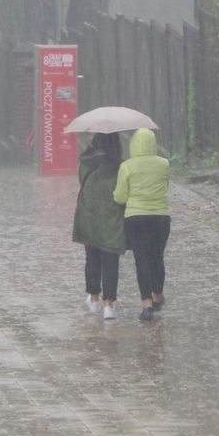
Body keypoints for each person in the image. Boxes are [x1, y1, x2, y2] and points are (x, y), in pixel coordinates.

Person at [113, 127, 170, 321]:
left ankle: (146, 304)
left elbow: (120, 197)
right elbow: (166, 187)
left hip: (135, 218)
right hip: (160, 217)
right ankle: (157, 294)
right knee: (157, 256)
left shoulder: (127, 166)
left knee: (141, 259)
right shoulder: (164, 164)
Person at [72, 132, 126, 320]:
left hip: (89, 214)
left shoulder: (86, 161)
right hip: (111, 216)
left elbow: (82, 182)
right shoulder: (118, 165)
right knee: (110, 259)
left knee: (92, 257)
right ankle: (108, 306)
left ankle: (94, 299)